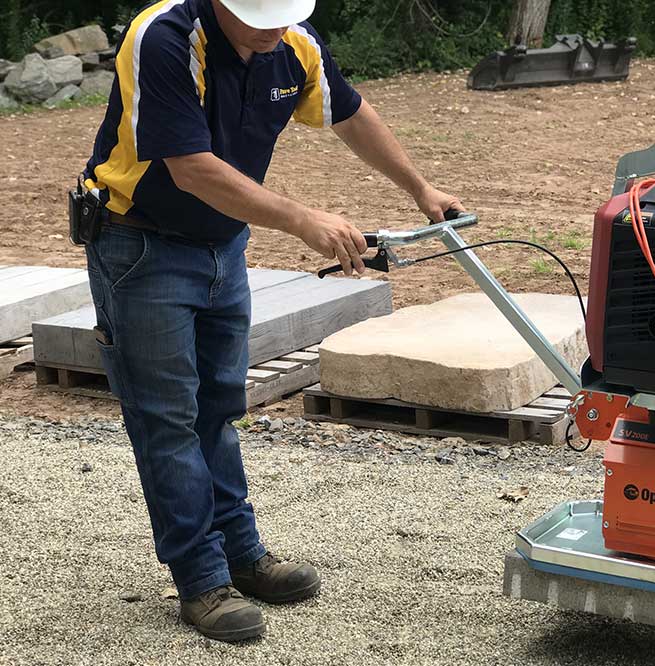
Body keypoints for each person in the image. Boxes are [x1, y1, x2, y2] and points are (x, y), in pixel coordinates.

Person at [78, 0, 463, 643]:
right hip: (140, 246)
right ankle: (201, 581)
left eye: (281, 17)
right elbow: (190, 167)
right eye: (257, 17)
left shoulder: (292, 41)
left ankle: (242, 555)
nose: (271, 30)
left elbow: (349, 111)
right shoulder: (166, 38)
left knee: (221, 407)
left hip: (223, 247)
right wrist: (301, 218)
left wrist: (419, 188)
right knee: (167, 417)